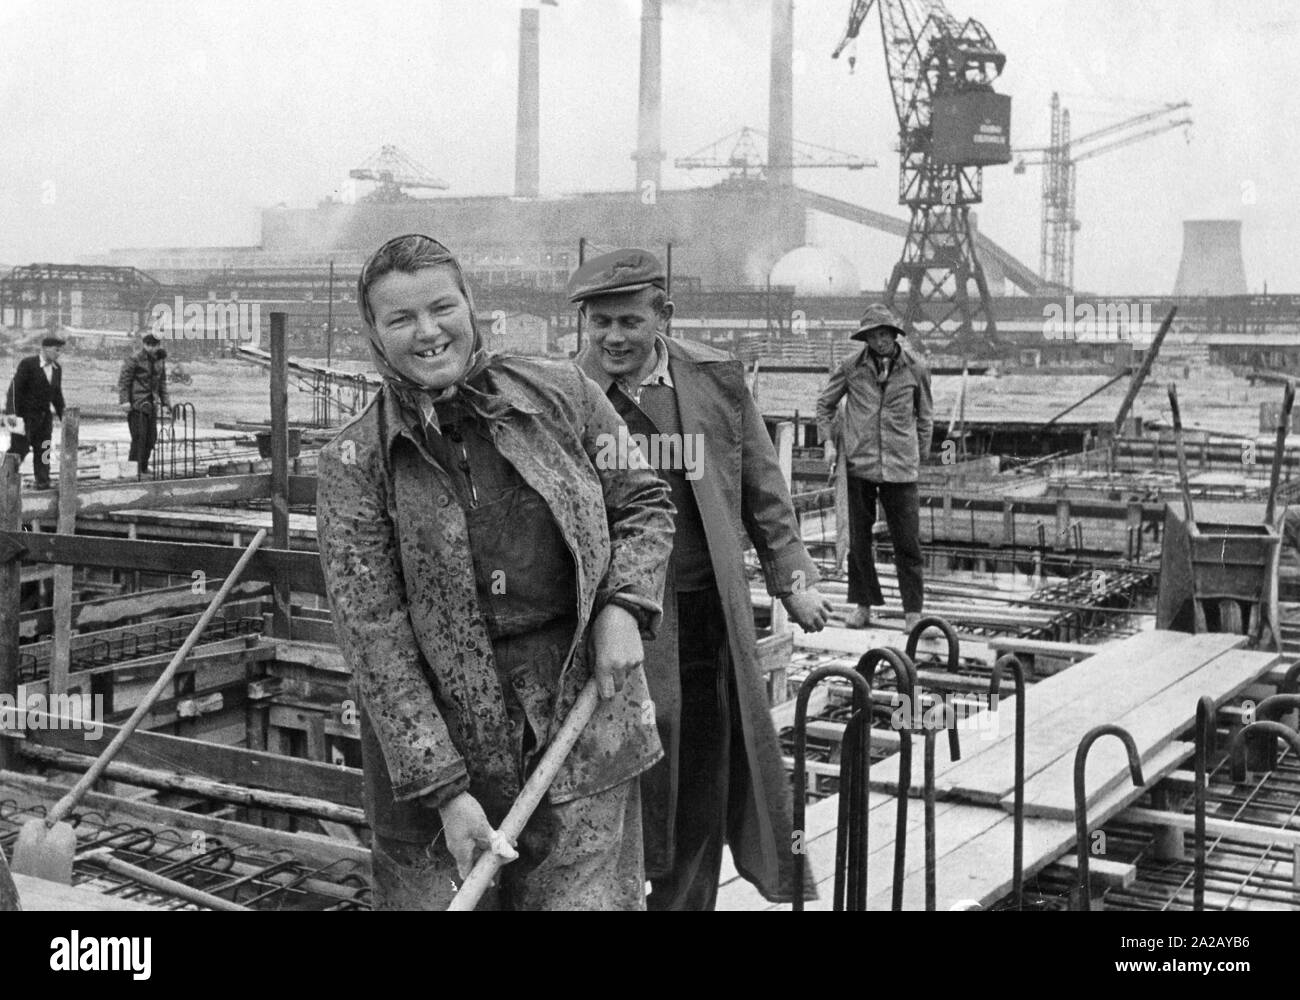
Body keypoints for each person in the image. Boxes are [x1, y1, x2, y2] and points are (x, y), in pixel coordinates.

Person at [316, 234, 675, 911]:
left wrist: (624, 604)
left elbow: (645, 502)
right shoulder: (353, 463)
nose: (427, 332)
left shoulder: (564, 394)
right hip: (439, 757)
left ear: (470, 305)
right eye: (400, 319)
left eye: (441, 307)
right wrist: (447, 794)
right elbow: (374, 642)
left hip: (582, 724)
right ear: (373, 331)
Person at [571, 248, 833, 911]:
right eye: (599, 323)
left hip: (706, 610)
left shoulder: (714, 379)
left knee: (705, 774)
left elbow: (761, 486)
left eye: (629, 321)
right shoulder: (567, 395)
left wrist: (792, 576)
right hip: (618, 622)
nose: (613, 339)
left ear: (663, 315)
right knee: (634, 772)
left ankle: (689, 904)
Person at [817, 303, 933, 632]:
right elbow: (824, 403)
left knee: (907, 542)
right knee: (858, 540)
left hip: (901, 469)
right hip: (860, 465)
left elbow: (925, 417)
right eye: (873, 335)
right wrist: (827, 441)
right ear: (866, 338)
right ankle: (863, 606)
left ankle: (913, 612)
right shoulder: (851, 367)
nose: (880, 341)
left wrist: (918, 456)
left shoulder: (916, 368)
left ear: (895, 335)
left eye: (885, 334)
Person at [4, 335, 66, 490]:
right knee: (19, 450)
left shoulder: (57, 369)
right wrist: (11, 412)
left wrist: (64, 417)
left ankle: (43, 481)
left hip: (44, 419)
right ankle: (5, 479)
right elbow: (14, 389)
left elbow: (57, 396)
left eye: (60, 351)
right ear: (45, 349)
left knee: (44, 449)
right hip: (24, 418)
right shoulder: (28, 364)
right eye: (55, 350)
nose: (58, 353)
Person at [117, 332, 170, 476]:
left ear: (159, 346)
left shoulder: (160, 360)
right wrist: (125, 401)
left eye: (155, 345)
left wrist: (166, 403)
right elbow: (124, 382)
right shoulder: (134, 359)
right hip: (137, 405)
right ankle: (133, 470)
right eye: (149, 345)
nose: (152, 348)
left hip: (152, 405)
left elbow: (162, 383)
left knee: (151, 438)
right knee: (139, 437)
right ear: (144, 345)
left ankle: (144, 467)